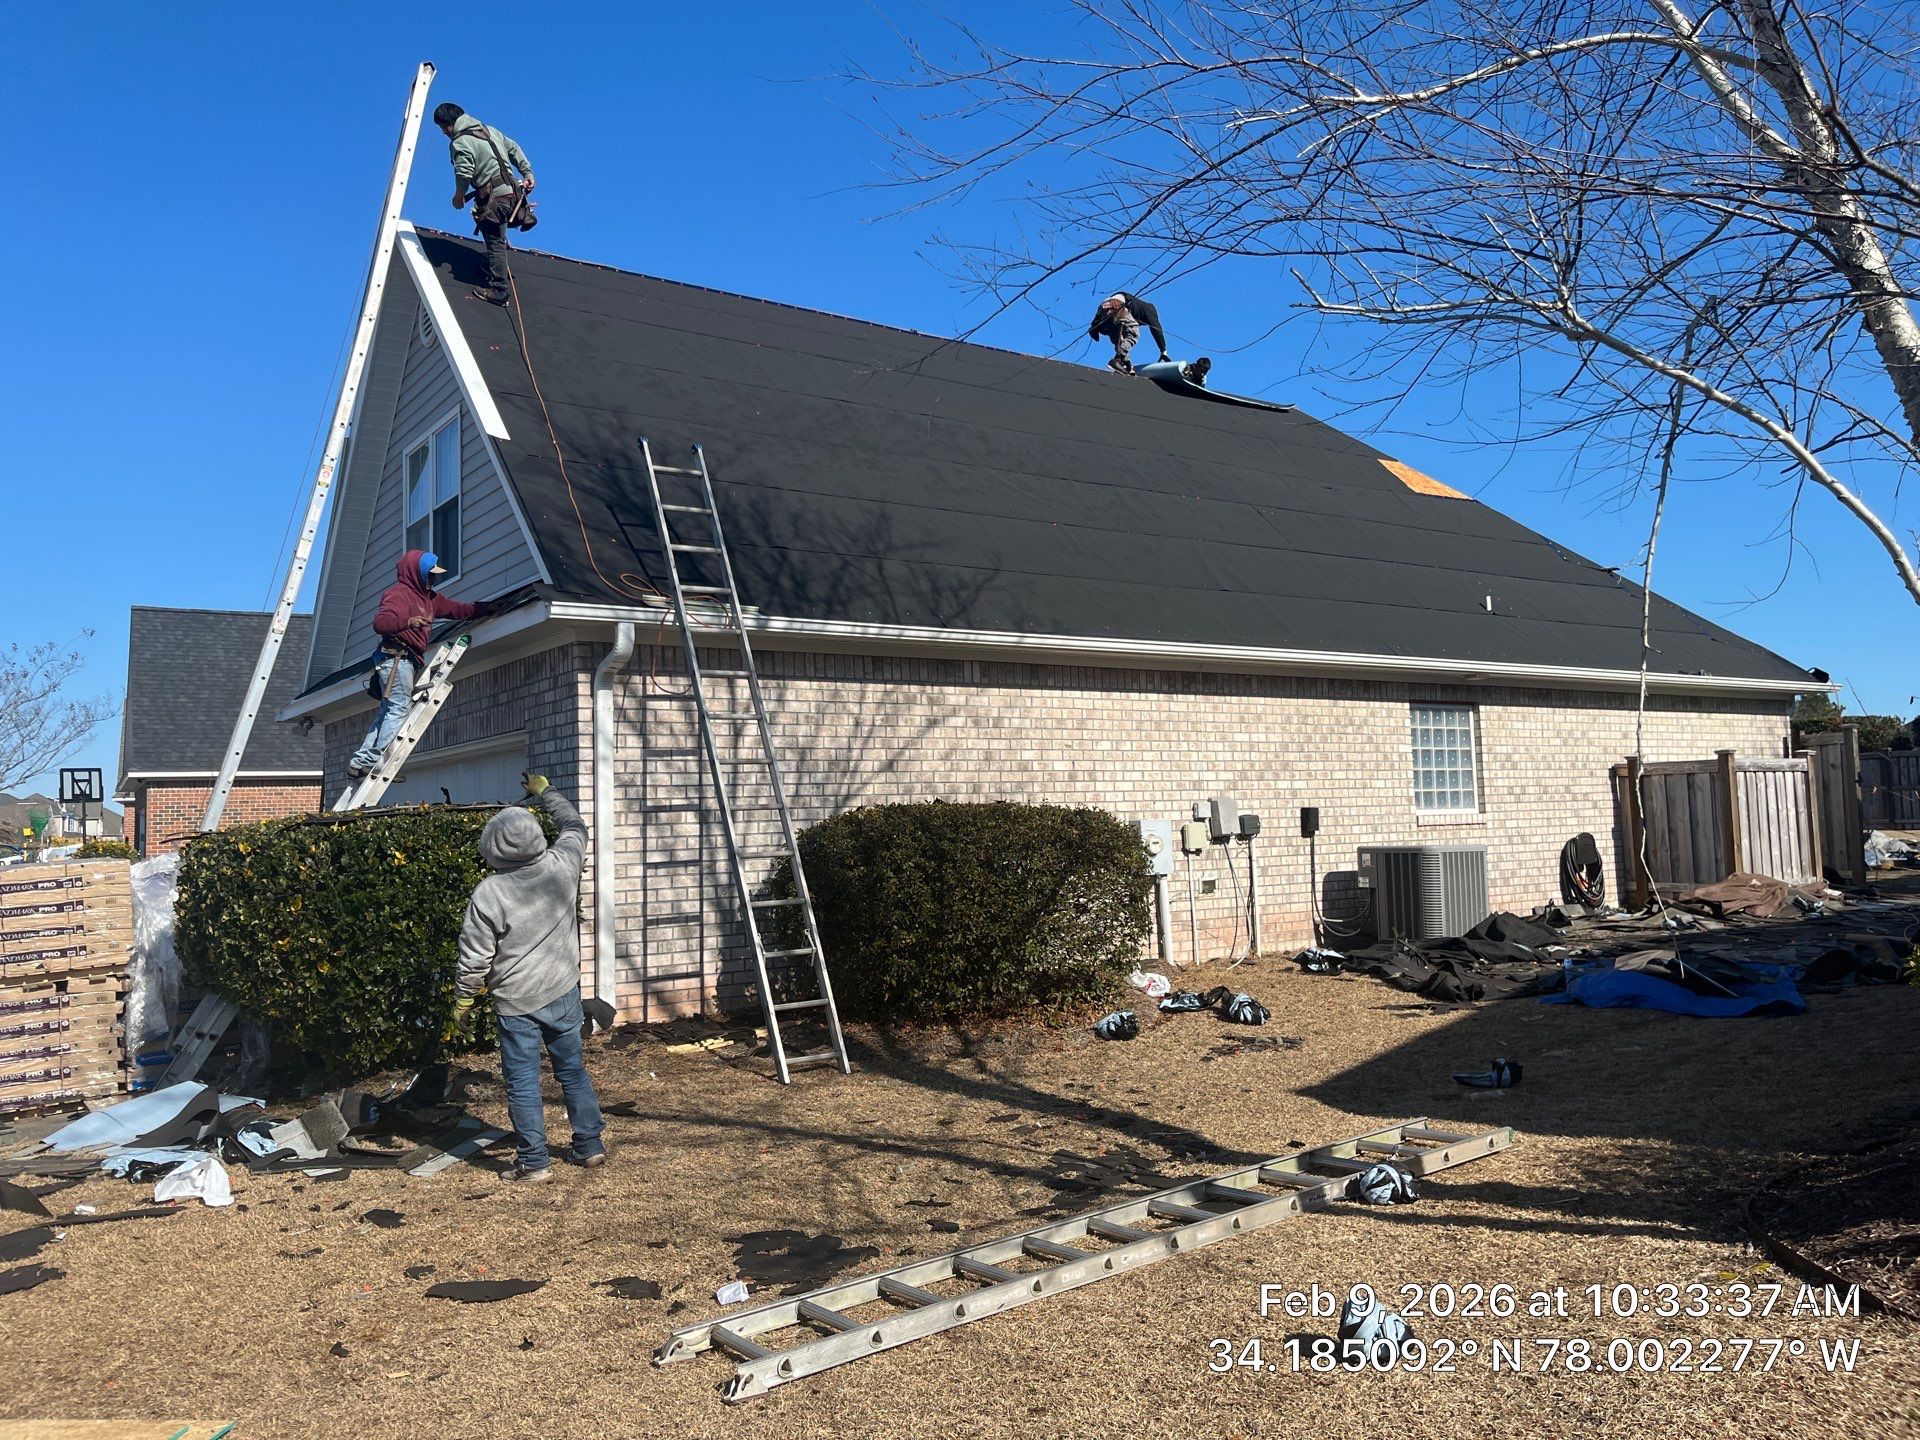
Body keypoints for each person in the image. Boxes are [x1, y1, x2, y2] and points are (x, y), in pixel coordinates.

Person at [450, 773, 606, 1183]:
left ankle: (534, 1162)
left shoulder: (490, 892)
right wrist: (546, 792)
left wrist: (463, 1000)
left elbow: (474, 957)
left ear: (493, 847)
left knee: (522, 1082)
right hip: (563, 990)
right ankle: (589, 1146)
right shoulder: (562, 864)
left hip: (517, 1003)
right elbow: (575, 826)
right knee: (571, 1071)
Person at [347, 550, 489, 779]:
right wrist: (408, 621)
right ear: (417, 573)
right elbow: (381, 623)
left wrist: (488, 607)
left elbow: (460, 610)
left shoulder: (430, 599)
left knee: (388, 712)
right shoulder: (398, 595)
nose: (434, 579)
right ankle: (376, 761)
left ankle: (361, 762)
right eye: (430, 574)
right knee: (398, 709)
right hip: (396, 658)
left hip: (403, 660)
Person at [433, 102, 536, 305]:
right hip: (513, 195)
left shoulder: (460, 142)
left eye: (442, 127)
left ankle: (499, 290)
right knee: (496, 235)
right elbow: (513, 148)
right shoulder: (490, 131)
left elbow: (464, 172)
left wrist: (459, 197)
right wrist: (527, 172)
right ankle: (494, 268)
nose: (443, 132)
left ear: (448, 124)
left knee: (495, 241)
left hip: (494, 200)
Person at [1088, 291, 1169, 374]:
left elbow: (1121, 342)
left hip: (1103, 309)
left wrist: (1127, 361)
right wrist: (1163, 351)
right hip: (1117, 305)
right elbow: (1156, 329)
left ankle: (1124, 363)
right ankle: (1118, 360)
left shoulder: (1135, 307)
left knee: (1119, 340)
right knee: (1133, 332)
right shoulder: (1149, 311)